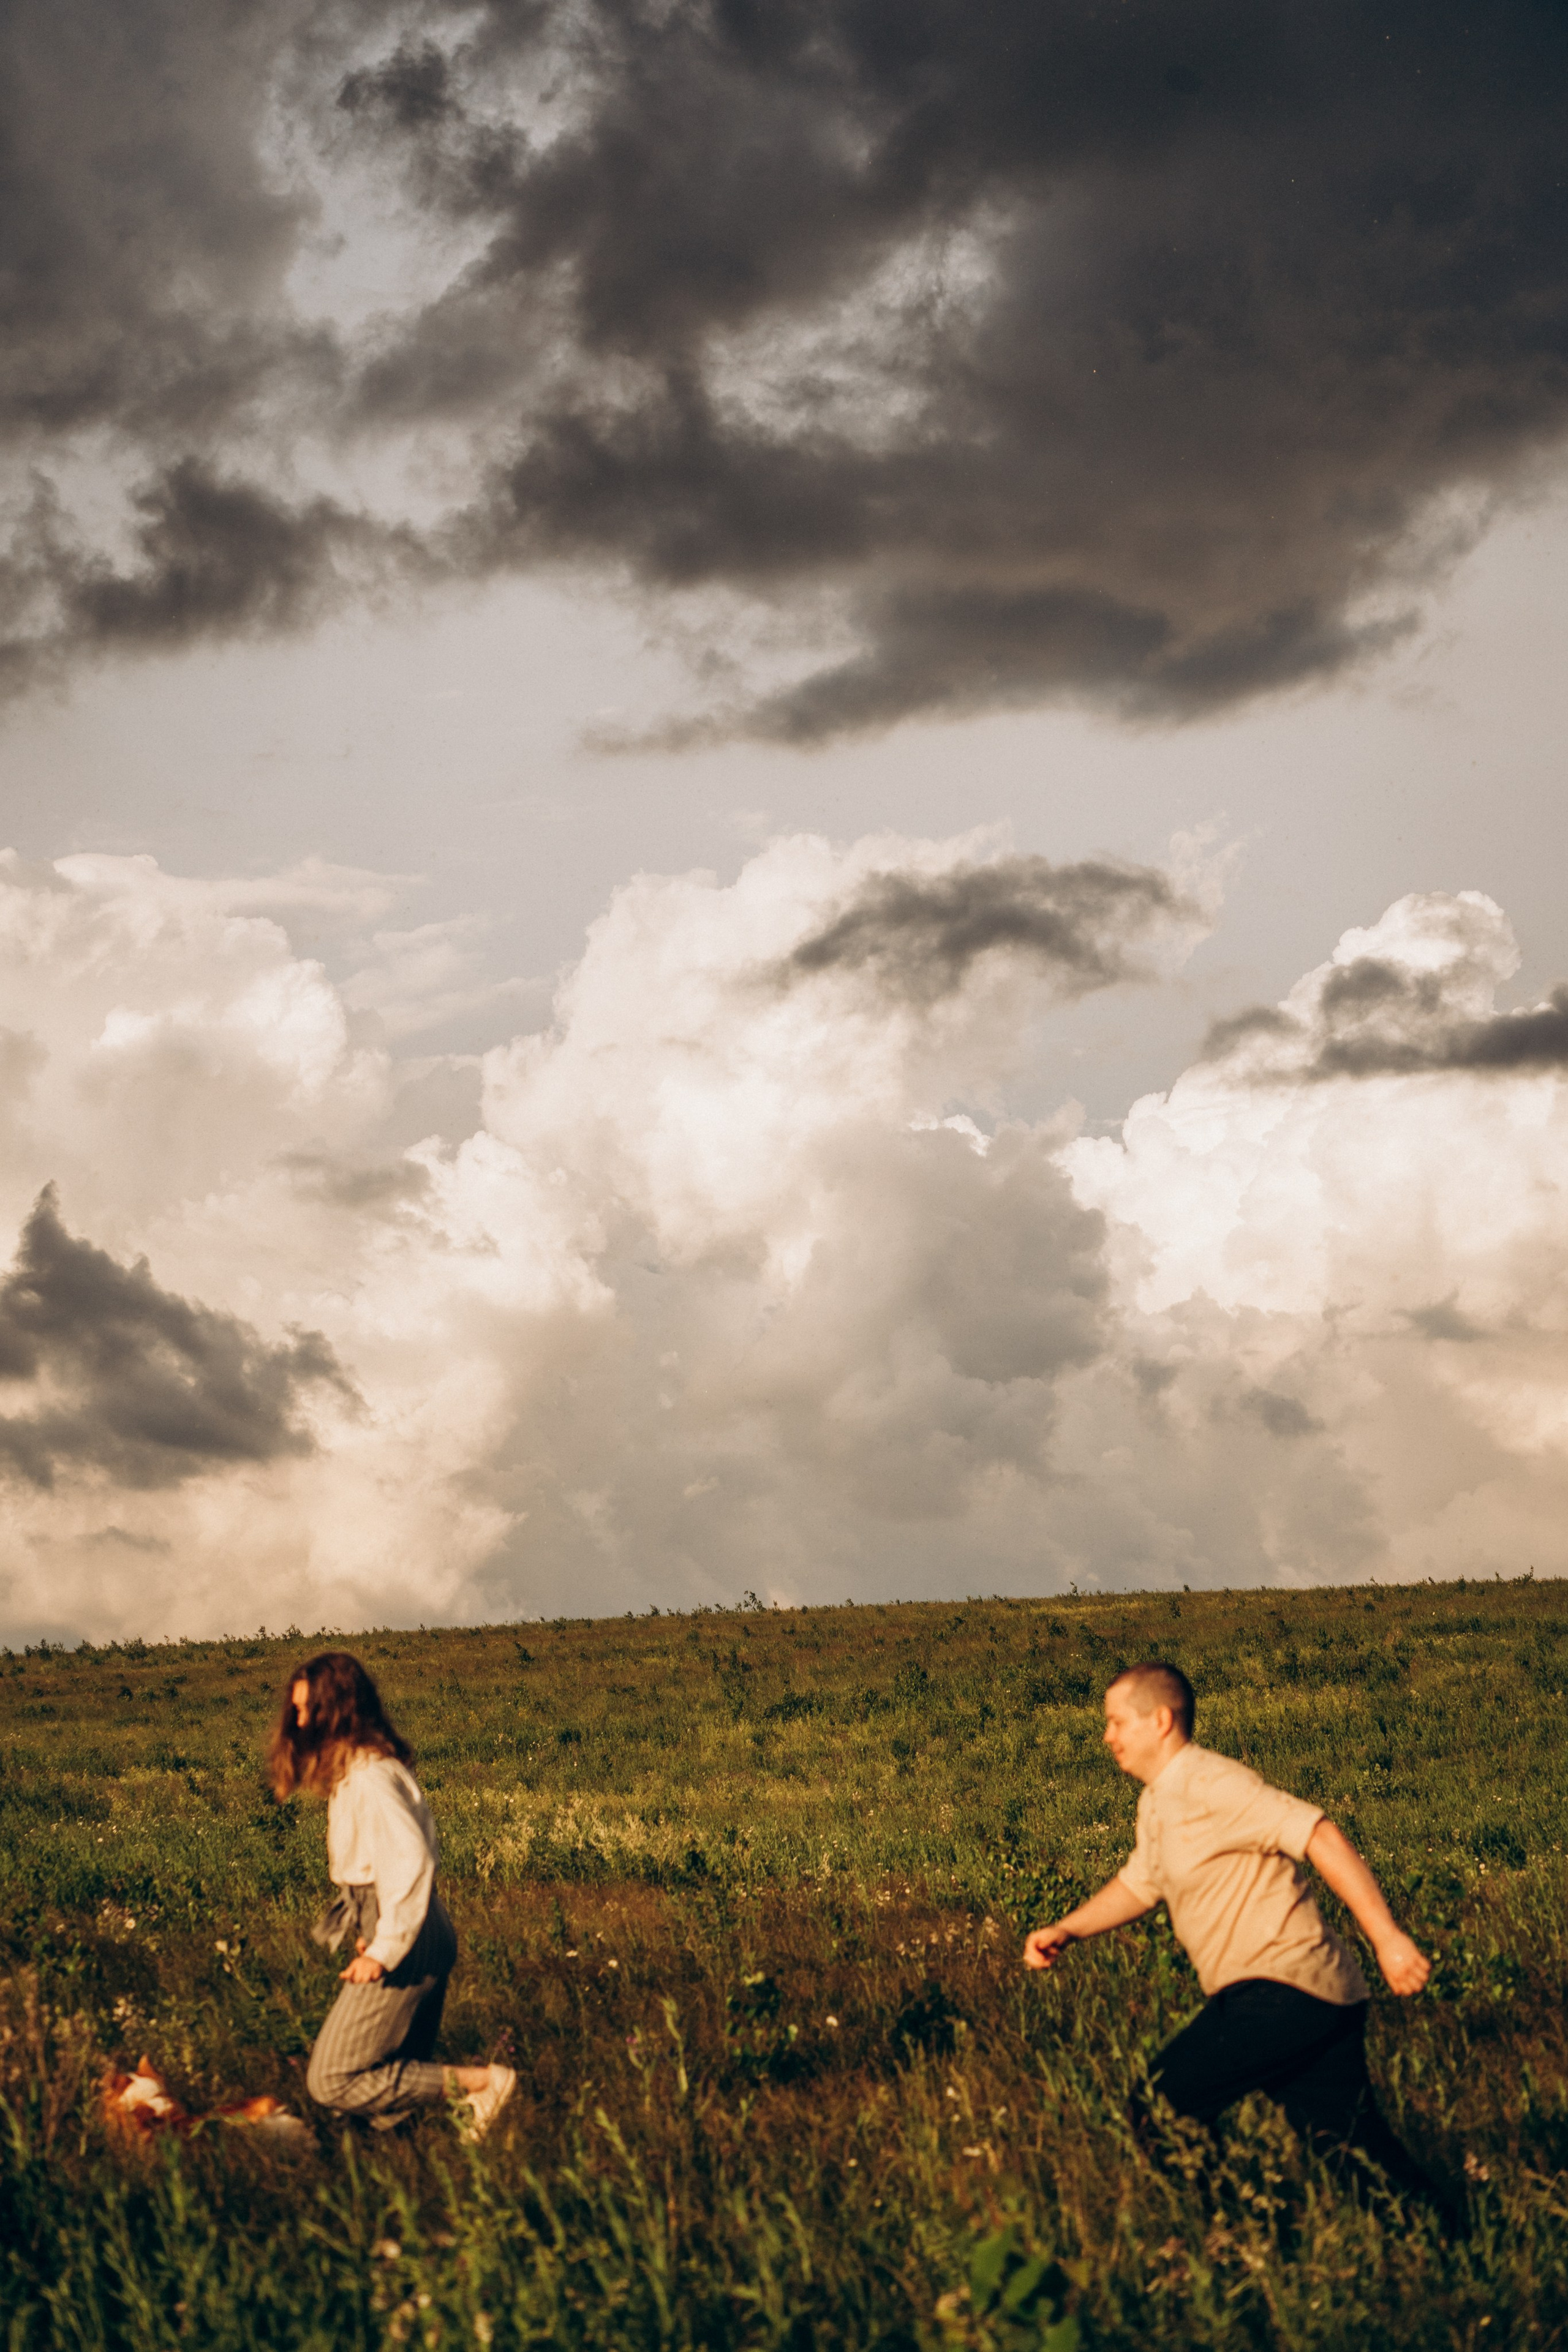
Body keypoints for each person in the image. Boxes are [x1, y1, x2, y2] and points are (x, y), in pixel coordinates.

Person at [1023, 1661, 1450, 2220]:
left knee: (1161, 2104)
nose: (1108, 1737)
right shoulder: (1158, 1800)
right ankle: (1444, 2243)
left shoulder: (1211, 1783)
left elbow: (1318, 1834)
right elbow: (1140, 1883)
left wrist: (1388, 1938)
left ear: (1160, 1720)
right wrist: (1067, 1929)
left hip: (1284, 1986)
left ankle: (1246, 2232)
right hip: (1309, 1995)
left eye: (1116, 1722)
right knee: (1353, 2151)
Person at [267, 1649, 515, 2138]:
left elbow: (410, 1860)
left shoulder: (370, 1777)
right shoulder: (356, 1773)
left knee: (332, 2079)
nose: (296, 1721)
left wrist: (384, 1947)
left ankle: (483, 2084)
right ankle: (401, 2173)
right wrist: (371, 1930)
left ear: (335, 1710)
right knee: (389, 2089)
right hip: (407, 1927)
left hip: (408, 1934)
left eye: (305, 1709)